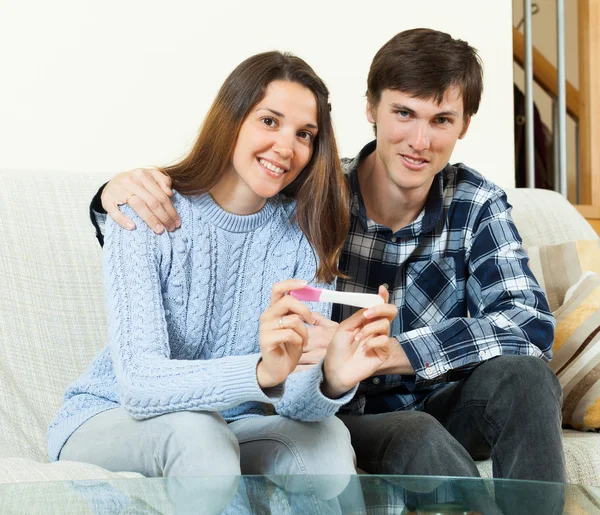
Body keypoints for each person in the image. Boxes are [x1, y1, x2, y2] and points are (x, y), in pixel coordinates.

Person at [88, 29, 564, 485]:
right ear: (371, 109)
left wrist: (392, 354)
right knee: (415, 435)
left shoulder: (475, 200)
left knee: (526, 377)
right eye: (404, 113)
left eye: (441, 120)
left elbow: (530, 324)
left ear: (464, 125)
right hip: (351, 408)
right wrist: (109, 195)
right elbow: (227, 208)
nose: (420, 141)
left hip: (437, 395)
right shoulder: (317, 198)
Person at [47, 51, 398, 512]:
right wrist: (260, 372)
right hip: (112, 414)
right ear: (231, 118)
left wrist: (331, 378)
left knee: (329, 445)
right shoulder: (143, 208)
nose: (286, 148)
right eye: (269, 121)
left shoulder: (301, 239)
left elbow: (295, 404)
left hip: (233, 425)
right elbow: (139, 382)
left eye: (304, 135)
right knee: (202, 439)